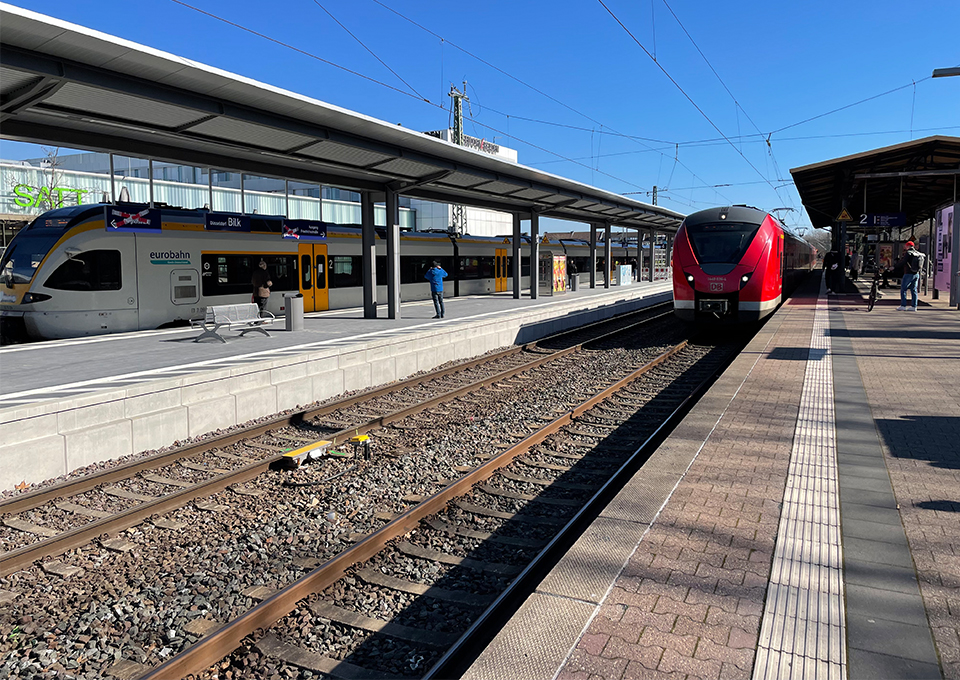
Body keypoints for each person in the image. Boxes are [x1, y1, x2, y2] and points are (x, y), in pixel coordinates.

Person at [893, 241, 925, 311]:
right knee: (914, 290)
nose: (905, 247)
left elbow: (903, 262)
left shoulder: (908, 253)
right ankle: (914, 306)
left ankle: (903, 305)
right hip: (916, 273)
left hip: (908, 273)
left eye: (906, 246)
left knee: (903, 289)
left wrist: (895, 266)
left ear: (908, 246)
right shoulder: (918, 253)